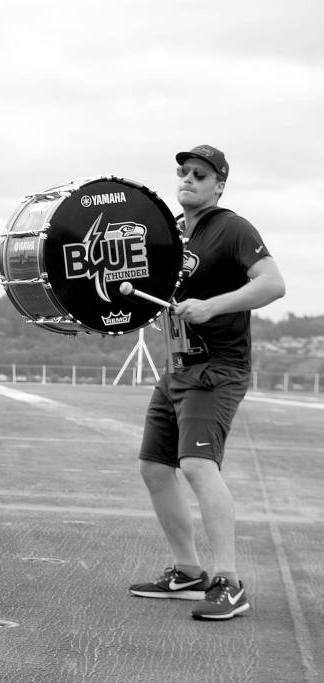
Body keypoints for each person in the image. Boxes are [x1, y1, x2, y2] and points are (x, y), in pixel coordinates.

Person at [128, 145, 285, 620]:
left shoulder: (232, 228)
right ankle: (188, 572)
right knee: (155, 467)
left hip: (218, 368)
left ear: (219, 184)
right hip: (178, 365)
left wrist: (213, 305)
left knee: (196, 465)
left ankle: (229, 582)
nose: (188, 178)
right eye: (183, 171)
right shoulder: (172, 232)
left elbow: (273, 283)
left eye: (200, 173)